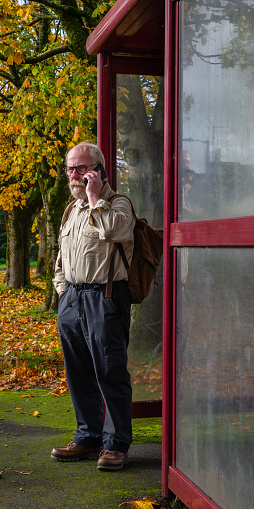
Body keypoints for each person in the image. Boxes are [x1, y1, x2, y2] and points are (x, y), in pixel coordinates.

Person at [51, 141, 135, 471]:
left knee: (110, 371)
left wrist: (96, 199)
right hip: (72, 299)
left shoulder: (118, 204)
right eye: (70, 168)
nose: (74, 174)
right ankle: (88, 436)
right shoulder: (71, 210)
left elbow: (116, 231)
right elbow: (62, 256)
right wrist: (63, 294)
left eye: (81, 168)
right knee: (78, 373)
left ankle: (116, 444)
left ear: (98, 169)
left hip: (106, 297)